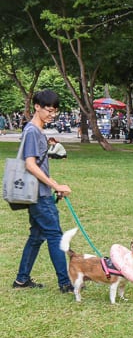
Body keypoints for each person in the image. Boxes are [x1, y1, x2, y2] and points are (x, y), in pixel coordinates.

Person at [12, 89, 74, 293]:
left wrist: (51, 182)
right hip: (38, 195)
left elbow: (38, 164)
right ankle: (66, 283)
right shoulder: (32, 131)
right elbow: (29, 164)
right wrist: (54, 186)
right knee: (55, 235)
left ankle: (22, 280)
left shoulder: (37, 131)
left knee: (37, 236)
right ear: (37, 107)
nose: (52, 114)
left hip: (40, 191)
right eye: (49, 110)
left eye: (55, 111)